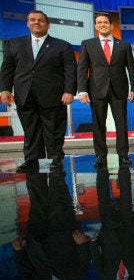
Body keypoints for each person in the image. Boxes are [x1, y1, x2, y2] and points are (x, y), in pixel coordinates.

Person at [0, 10, 77, 172]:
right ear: (27, 23)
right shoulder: (13, 44)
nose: (37, 23)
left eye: (41, 20)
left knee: (54, 128)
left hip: (53, 95)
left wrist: (69, 91)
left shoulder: (62, 45)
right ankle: (31, 160)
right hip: (24, 94)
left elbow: (70, 70)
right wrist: (5, 89)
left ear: (48, 25)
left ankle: (56, 158)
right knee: (30, 128)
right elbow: (7, 69)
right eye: (33, 20)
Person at [77, 14, 134, 168]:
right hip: (96, 89)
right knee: (98, 124)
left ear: (111, 26)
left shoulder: (124, 45)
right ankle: (100, 156)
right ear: (96, 26)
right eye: (99, 23)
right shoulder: (87, 44)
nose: (102, 25)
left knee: (121, 124)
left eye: (105, 22)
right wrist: (82, 90)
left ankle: (123, 155)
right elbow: (82, 68)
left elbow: (131, 68)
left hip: (119, 89)